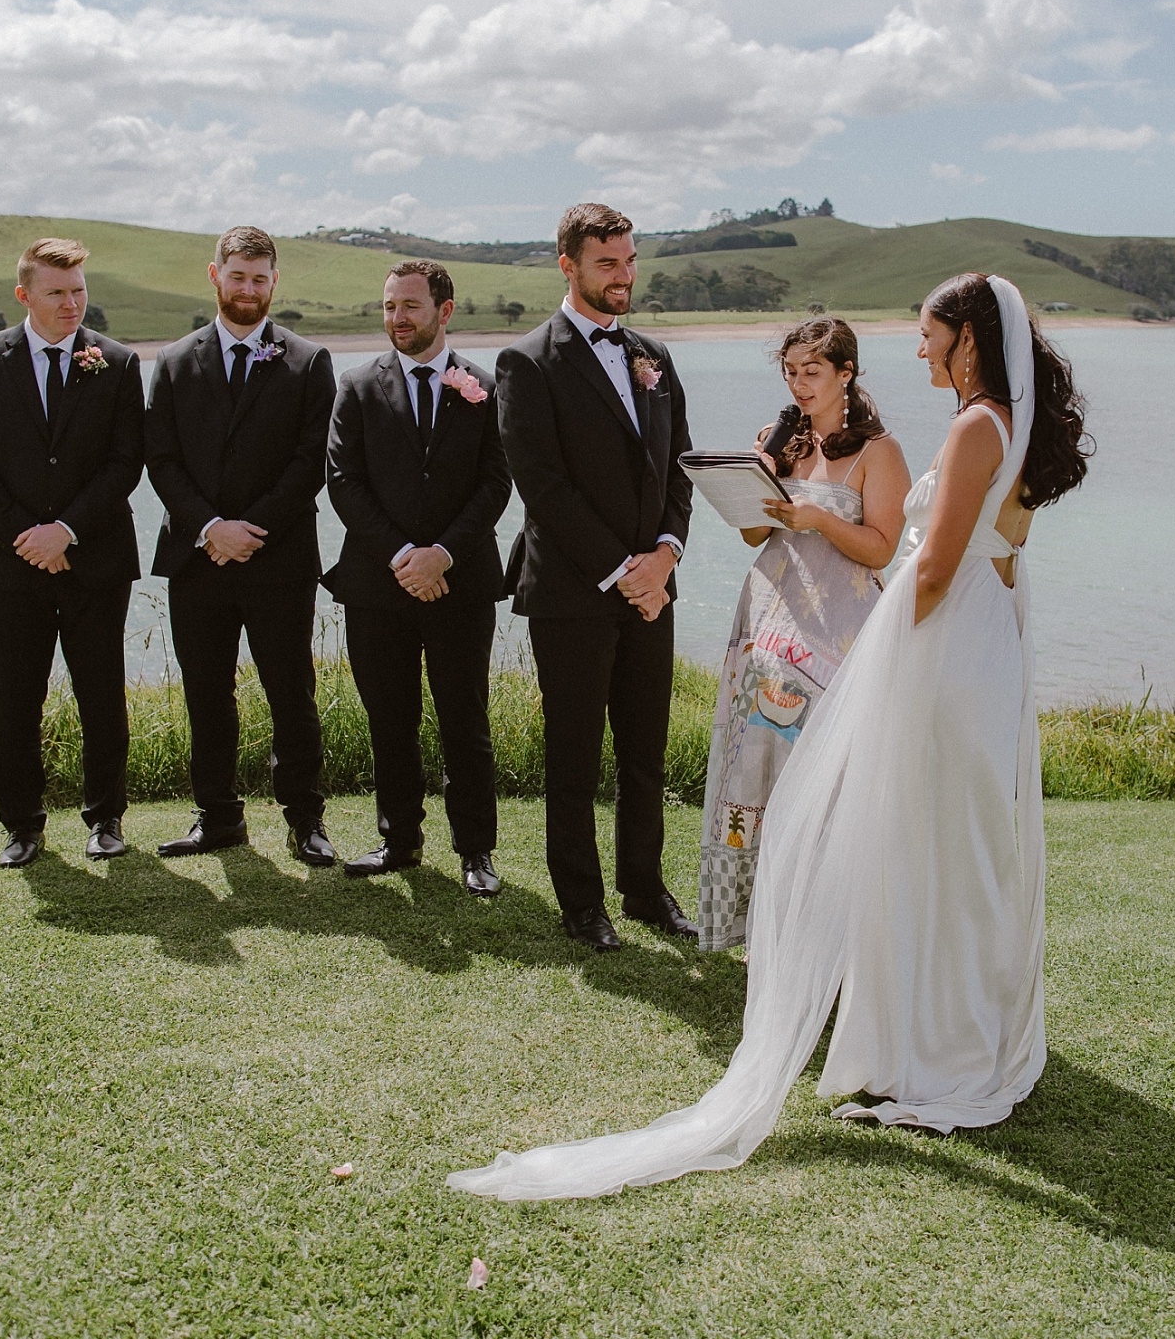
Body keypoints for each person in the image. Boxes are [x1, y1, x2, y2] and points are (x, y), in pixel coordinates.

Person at [452, 272, 1090, 1199]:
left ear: (968, 339)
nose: (917, 351)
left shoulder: (972, 427)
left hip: (945, 642)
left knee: (933, 833)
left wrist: (872, 649)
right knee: (963, 835)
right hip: (989, 635)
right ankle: (958, 1024)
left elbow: (935, 565)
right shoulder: (1012, 423)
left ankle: (938, 1045)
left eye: (928, 335)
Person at [495, 203, 697, 952]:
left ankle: (644, 889)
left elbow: (680, 463)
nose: (623, 276)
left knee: (646, 752)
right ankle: (582, 903)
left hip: (653, 589)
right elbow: (542, 485)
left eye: (629, 260)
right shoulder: (527, 361)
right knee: (574, 756)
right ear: (568, 266)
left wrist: (667, 555)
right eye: (607, 263)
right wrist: (622, 570)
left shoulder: (653, 355)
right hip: (574, 594)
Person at [696, 319, 907, 950]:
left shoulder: (880, 453)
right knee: (755, 770)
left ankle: (824, 937)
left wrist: (814, 517)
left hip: (836, 635)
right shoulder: (780, 441)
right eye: (790, 372)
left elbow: (881, 549)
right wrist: (752, 478)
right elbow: (754, 537)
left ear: (846, 373)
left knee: (822, 778)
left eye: (811, 371)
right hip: (767, 623)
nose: (798, 384)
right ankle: (758, 928)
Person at [0, 238, 146, 869]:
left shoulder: (115, 361)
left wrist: (66, 531)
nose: (71, 302)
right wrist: (28, 537)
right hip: (11, 565)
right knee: (16, 694)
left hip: (96, 559)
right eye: (57, 291)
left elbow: (125, 460)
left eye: (79, 290)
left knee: (101, 693)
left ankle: (105, 819)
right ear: (24, 295)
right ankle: (23, 826)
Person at [143, 226, 340, 865]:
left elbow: (312, 460)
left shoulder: (308, 362)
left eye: (260, 278)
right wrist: (209, 529)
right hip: (196, 558)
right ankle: (218, 816)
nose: (249, 289)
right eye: (238, 277)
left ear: (273, 282)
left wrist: (251, 530)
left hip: (277, 557)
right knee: (206, 689)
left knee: (291, 689)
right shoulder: (174, 362)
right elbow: (162, 459)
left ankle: (305, 820)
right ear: (215, 276)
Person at [324, 260, 511, 896]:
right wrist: (405, 555)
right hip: (379, 585)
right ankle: (398, 839)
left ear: (444, 311)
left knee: (466, 719)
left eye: (409, 306)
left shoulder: (484, 388)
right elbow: (343, 482)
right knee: (390, 720)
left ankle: (476, 852)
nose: (397, 318)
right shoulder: (355, 385)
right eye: (388, 307)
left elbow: (496, 484)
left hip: (460, 584)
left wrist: (443, 554)